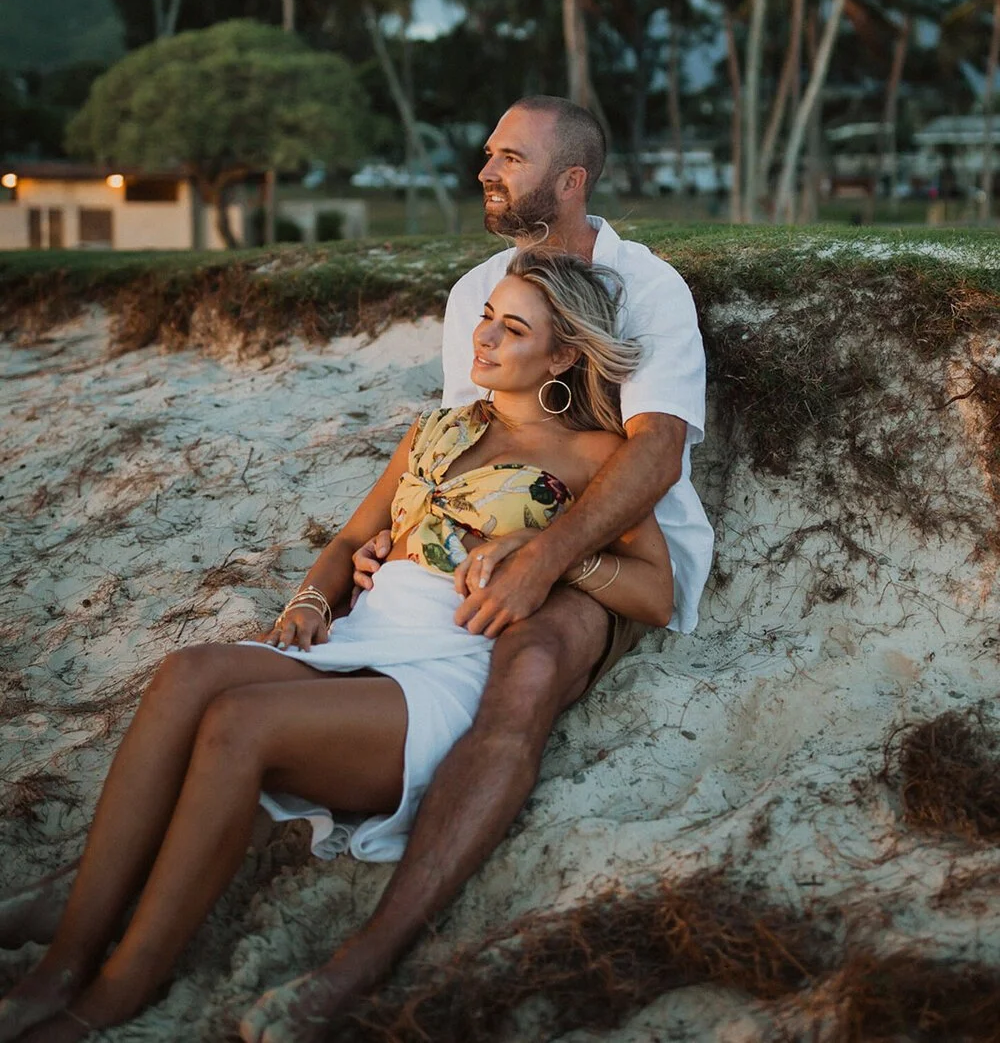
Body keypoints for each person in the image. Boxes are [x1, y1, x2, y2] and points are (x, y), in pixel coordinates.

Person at [0, 248, 672, 1043]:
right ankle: (64, 962)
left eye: (514, 329)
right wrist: (313, 601)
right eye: (488, 316)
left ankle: (118, 991)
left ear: (562, 358)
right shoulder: (437, 429)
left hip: (446, 668)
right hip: (362, 635)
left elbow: (654, 594)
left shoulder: (593, 457)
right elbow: (353, 539)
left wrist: (554, 554)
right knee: (186, 672)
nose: (485, 337)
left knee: (240, 723)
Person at [238, 96, 713, 1043]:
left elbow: (654, 451)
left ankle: (362, 960)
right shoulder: (478, 290)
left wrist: (548, 557)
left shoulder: (648, 287)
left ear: (570, 180)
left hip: (614, 551)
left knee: (526, 671)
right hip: (490, 544)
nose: (485, 171)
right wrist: (398, 539)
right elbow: (478, 443)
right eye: (489, 152)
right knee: (324, 662)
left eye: (510, 157)